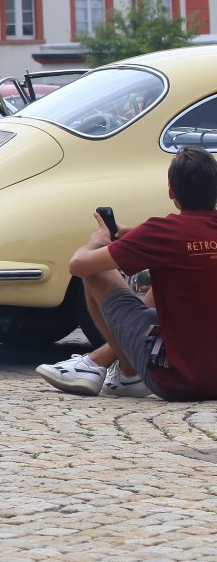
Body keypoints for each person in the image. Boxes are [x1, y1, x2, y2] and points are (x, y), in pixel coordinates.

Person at [37, 147, 217, 401]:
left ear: (171, 191)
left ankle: (128, 372)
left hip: (177, 382)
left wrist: (97, 242)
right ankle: (101, 362)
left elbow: (79, 265)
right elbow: (190, 241)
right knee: (173, 274)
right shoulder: (162, 235)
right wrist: (132, 235)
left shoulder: (161, 232)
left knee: (97, 272)